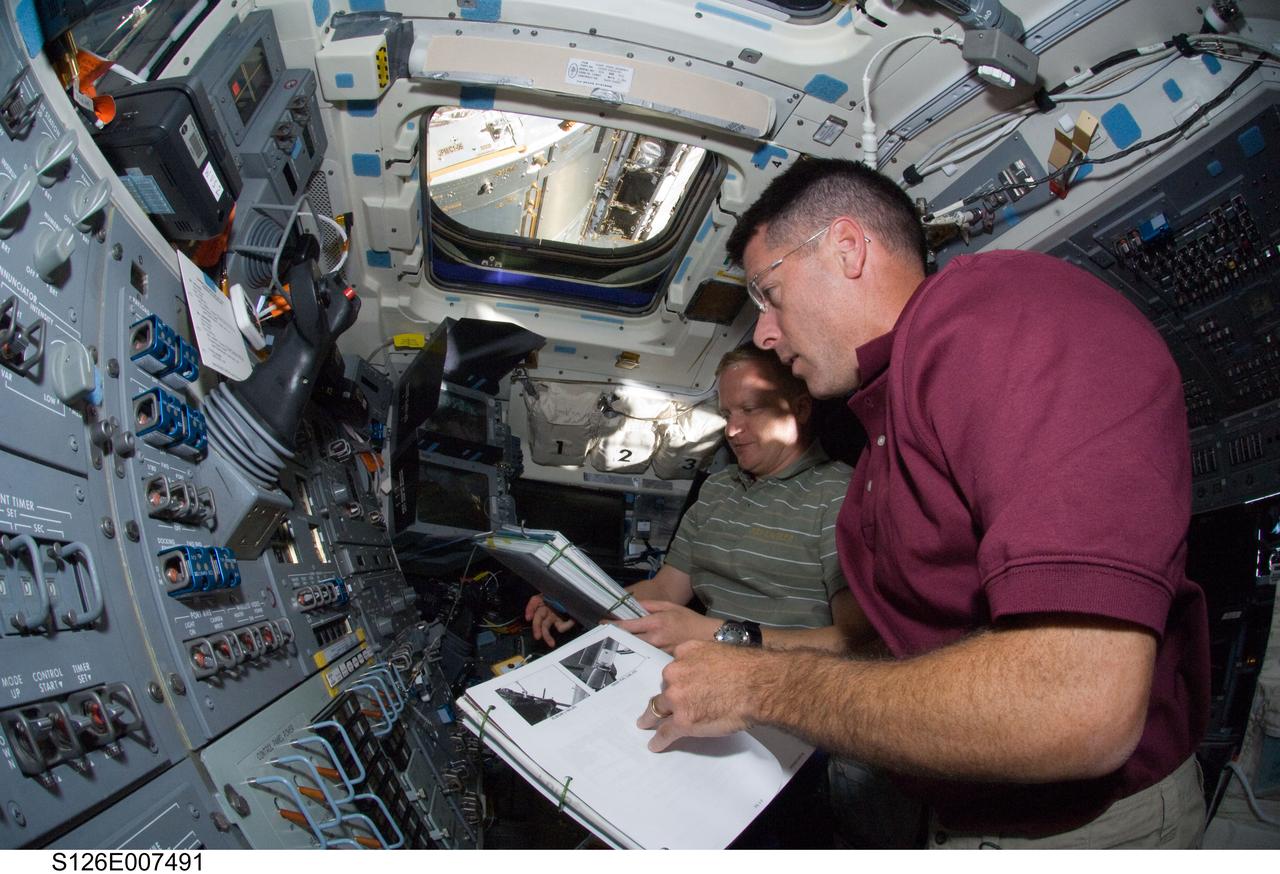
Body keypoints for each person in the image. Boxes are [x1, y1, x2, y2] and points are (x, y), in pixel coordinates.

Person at [638, 157, 1210, 849]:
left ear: (847, 248)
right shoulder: (893, 418)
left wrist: (760, 688)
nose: (764, 332)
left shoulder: (1007, 318)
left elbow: (1076, 706)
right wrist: (732, 654)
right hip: (964, 809)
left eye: (771, 293)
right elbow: (899, 648)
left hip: (1082, 830)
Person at [525, 343, 862, 655]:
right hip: (700, 664)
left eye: (749, 409)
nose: (732, 430)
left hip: (788, 682)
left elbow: (854, 641)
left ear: (800, 409)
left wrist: (715, 634)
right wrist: (577, 602)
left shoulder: (840, 494)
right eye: (727, 414)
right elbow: (665, 590)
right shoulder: (719, 488)